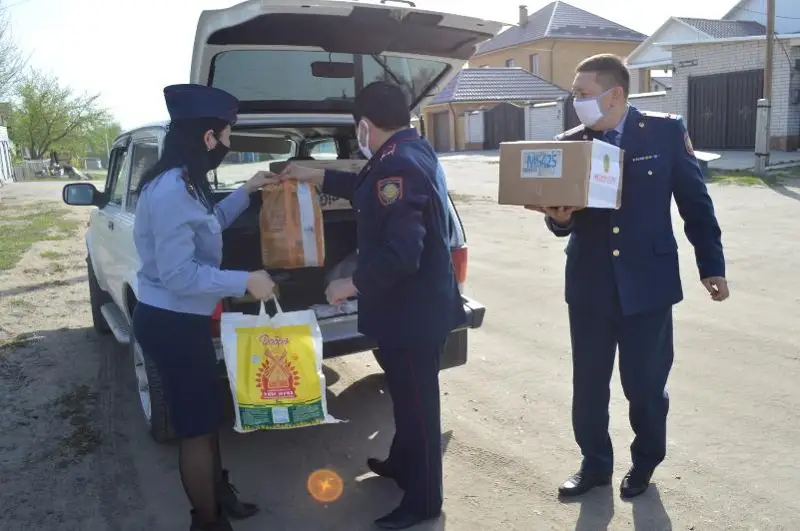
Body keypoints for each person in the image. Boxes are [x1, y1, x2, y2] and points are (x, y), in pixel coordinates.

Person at [528, 54, 730, 500]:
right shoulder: (571, 143)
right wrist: (558, 218)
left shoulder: (664, 131)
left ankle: (644, 464)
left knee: (645, 386)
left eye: (583, 94)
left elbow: (695, 204)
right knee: (589, 383)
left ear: (614, 94)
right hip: (590, 284)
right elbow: (560, 220)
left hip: (649, 284)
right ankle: (595, 464)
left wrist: (711, 265)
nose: (575, 102)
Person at [280, 81, 464, 530]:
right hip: (414, 310)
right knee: (405, 399)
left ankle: (423, 504)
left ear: (364, 125)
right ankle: (403, 464)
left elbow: (403, 254)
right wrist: (316, 174)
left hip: (412, 314)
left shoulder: (396, 163)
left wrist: (351, 285)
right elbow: (368, 185)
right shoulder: (409, 149)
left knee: (419, 408)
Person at [131, 84, 278, 531]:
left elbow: (209, 223)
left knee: (208, 413)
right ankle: (207, 521)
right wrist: (245, 281)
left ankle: (218, 494)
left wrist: (248, 190)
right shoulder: (172, 190)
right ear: (210, 138)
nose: (230, 144)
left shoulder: (186, 181)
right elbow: (179, 275)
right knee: (195, 426)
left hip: (184, 320)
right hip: (171, 322)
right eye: (228, 134)